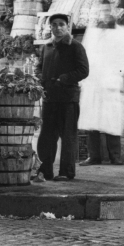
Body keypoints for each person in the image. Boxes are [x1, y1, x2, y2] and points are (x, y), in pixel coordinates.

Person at [78, 0, 124, 166]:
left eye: (107, 10)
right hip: (92, 82)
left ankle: (115, 156)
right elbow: (83, 55)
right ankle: (94, 156)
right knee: (92, 120)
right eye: (101, 11)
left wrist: (118, 75)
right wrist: (84, 78)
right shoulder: (91, 32)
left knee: (112, 120)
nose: (104, 14)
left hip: (112, 82)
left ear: (114, 12)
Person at [36, 12, 90, 181]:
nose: (58, 28)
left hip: (68, 98)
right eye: (54, 25)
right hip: (49, 98)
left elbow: (83, 70)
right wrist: (40, 80)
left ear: (67, 27)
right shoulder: (46, 47)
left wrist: (64, 79)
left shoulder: (75, 46)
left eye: (61, 24)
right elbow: (39, 67)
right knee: (47, 136)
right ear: (50, 27)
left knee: (68, 136)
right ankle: (45, 171)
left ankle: (66, 172)